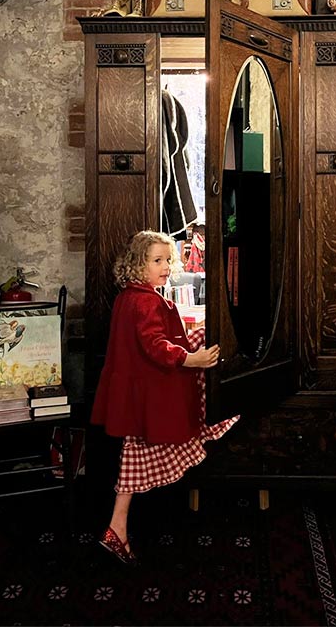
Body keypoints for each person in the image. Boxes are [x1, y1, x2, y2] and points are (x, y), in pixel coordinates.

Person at [90, 230, 239, 565]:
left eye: (167, 260)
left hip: (137, 394)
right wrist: (192, 358)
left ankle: (118, 529)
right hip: (148, 396)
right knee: (135, 458)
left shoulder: (130, 296)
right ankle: (116, 529)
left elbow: (157, 338)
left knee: (133, 459)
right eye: (156, 260)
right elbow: (155, 344)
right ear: (137, 264)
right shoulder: (145, 301)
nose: (165, 266)